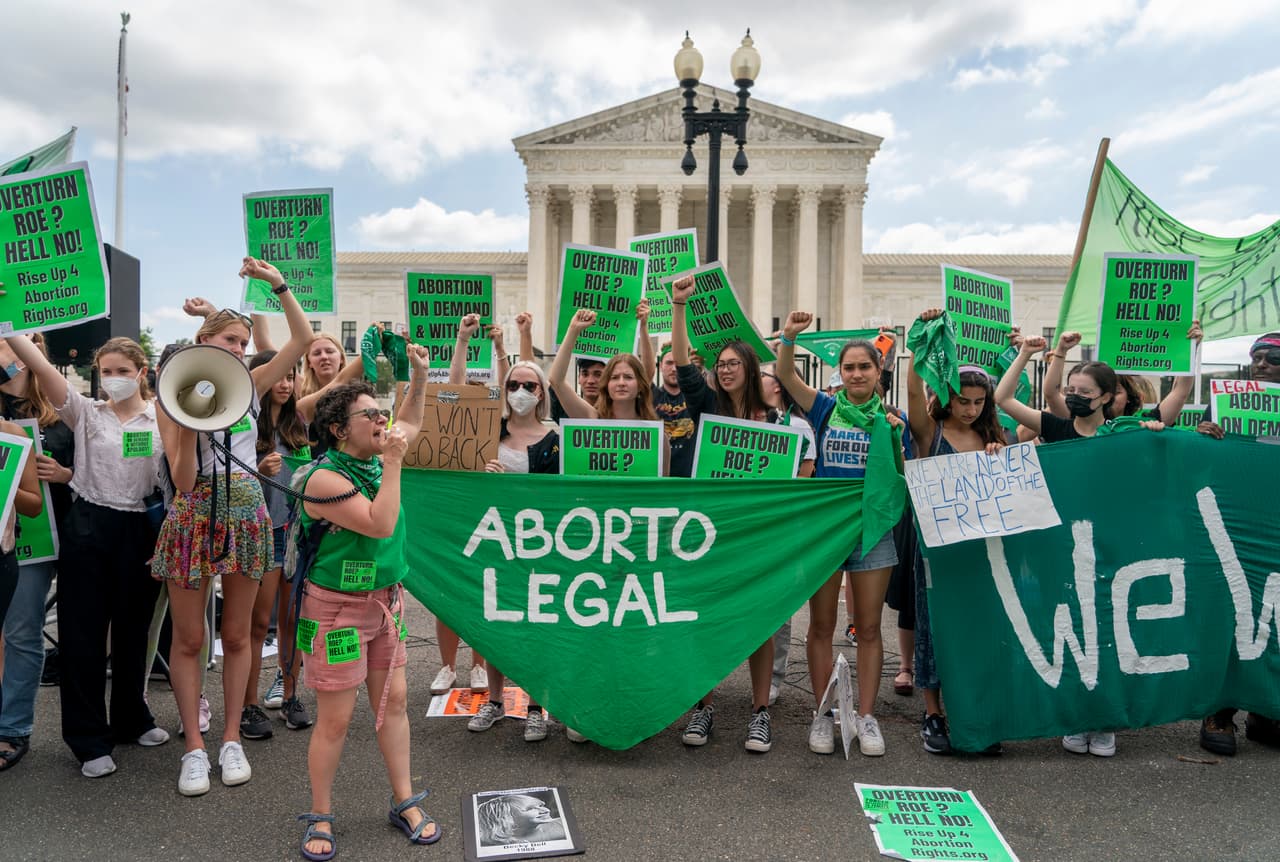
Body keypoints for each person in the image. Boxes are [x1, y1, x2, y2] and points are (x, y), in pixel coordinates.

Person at [154, 258, 314, 796]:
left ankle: (230, 739)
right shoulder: (172, 391)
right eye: (230, 340)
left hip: (246, 510)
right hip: (194, 509)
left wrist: (278, 285)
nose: (239, 351)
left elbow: (301, 339)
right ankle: (195, 748)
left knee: (239, 633)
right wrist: (183, 423)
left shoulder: (248, 384)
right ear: (204, 339)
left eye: (243, 343)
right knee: (190, 636)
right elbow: (181, 478)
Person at [296, 346, 440, 859]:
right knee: (336, 717)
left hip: (386, 604)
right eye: (370, 415)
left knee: (395, 704)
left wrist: (420, 376)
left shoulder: (376, 459)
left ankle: (404, 800)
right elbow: (379, 523)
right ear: (338, 430)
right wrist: (396, 462)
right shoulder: (322, 479)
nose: (383, 420)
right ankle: (320, 812)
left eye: (381, 412)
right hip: (336, 612)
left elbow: (413, 417)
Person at [3, 332, 161, 778]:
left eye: (122, 372)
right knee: (84, 636)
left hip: (140, 531)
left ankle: (132, 718)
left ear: (141, 374)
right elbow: (48, 373)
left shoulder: (159, 420)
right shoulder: (86, 414)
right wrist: (13, 327)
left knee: (133, 632)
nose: (113, 380)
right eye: (106, 372)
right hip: (89, 528)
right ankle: (88, 739)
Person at [774, 311, 907, 758]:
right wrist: (790, 337)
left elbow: (900, 480)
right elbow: (786, 376)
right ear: (840, 373)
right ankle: (823, 714)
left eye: (864, 367)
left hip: (871, 534)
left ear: (878, 371)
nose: (855, 373)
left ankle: (865, 717)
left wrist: (895, 439)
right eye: (849, 367)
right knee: (822, 627)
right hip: (828, 531)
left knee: (868, 629)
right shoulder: (826, 408)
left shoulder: (893, 421)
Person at [669, 275, 780, 753]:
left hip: (752, 533)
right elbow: (679, 360)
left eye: (735, 363)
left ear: (750, 369)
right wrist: (678, 305)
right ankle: (704, 706)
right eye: (721, 363)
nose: (726, 369)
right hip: (707, 528)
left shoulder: (772, 421)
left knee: (759, 623)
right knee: (703, 619)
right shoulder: (706, 405)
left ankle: (759, 713)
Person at [904, 308, 1008, 755]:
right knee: (934, 629)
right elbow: (911, 390)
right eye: (963, 401)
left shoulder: (993, 439)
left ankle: (975, 709)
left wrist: (999, 457)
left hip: (980, 552)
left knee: (976, 630)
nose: (970, 409)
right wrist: (921, 340)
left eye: (978, 402)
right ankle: (933, 713)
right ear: (949, 399)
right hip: (937, 552)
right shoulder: (932, 431)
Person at [458, 314, 560, 742]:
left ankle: (537, 706)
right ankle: (496, 702)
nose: (520, 392)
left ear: (542, 393)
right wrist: (464, 340)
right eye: (513, 385)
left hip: (540, 544)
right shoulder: (489, 430)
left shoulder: (557, 436)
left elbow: (562, 494)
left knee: (537, 626)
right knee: (495, 623)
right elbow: (452, 399)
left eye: (529, 386)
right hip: (495, 540)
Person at [1195, 332, 1280, 756]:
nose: (1262, 363)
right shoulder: (1226, 400)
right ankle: (1220, 712)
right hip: (1236, 527)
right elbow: (1204, 459)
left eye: (1273, 358)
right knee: (1233, 617)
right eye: (1257, 357)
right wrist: (1204, 434)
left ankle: (1267, 711)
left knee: (1275, 621)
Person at [0, 334, 74, 772]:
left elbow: (101, 470)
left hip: (65, 535)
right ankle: (10, 726)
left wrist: (66, 474)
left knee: (35, 632)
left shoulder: (63, 411)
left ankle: (15, 728)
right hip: (18, 543)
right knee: (17, 633)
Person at [245, 350, 312, 735]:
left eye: (291, 376)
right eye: (278, 376)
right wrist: (257, 471)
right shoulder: (245, 427)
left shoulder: (297, 426)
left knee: (293, 620)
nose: (285, 384)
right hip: (260, 533)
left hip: (294, 533)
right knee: (257, 625)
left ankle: (289, 696)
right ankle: (249, 704)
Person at [759, 364, 816, 705]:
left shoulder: (797, 427)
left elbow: (805, 476)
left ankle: (774, 676)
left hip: (780, 527)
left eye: (763, 376)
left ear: (778, 386)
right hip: (751, 526)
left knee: (777, 609)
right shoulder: (750, 420)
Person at [1043, 324, 1201, 424]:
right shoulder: (1077, 420)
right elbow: (1051, 394)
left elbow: (1179, 393)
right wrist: (1061, 351)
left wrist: (1189, 349)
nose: (1109, 397)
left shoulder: (1143, 425)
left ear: (1129, 397)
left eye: (1116, 392)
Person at [477, 793, 566, 846]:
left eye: (541, 806)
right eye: (531, 809)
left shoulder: (563, 824)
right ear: (504, 819)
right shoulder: (491, 844)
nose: (546, 810)